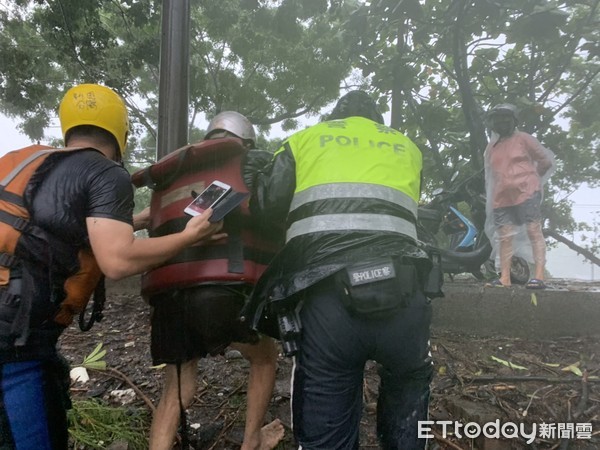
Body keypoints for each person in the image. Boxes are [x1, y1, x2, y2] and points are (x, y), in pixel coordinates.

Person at [0, 83, 224, 449]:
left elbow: (48, 232)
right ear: (120, 132)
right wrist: (189, 236)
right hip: (15, 345)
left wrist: (136, 222)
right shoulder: (105, 172)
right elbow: (117, 260)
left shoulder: (25, 160)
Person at [241, 90, 439, 449]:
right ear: (378, 124)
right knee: (409, 388)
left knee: (325, 424)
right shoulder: (408, 147)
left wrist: (255, 178)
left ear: (334, 118)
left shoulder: (305, 140)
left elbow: (268, 212)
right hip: (406, 296)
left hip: (327, 300)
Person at [148, 111, 284, 450]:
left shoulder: (173, 173)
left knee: (177, 390)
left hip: (169, 296)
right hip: (224, 292)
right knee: (265, 357)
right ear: (247, 142)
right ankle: (252, 441)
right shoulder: (251, 162)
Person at [483, 103, 555, 289]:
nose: (501, 122)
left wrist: (531, 179)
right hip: (502, 197)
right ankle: (504, 278)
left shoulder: (524, 139)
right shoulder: (492, 148)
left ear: (514, 120)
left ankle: (539, 276)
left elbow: (545, 161)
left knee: (533, 230)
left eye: (505, 118)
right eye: (497, 119)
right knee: (504, 237)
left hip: (527, 193)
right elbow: (492, 174)